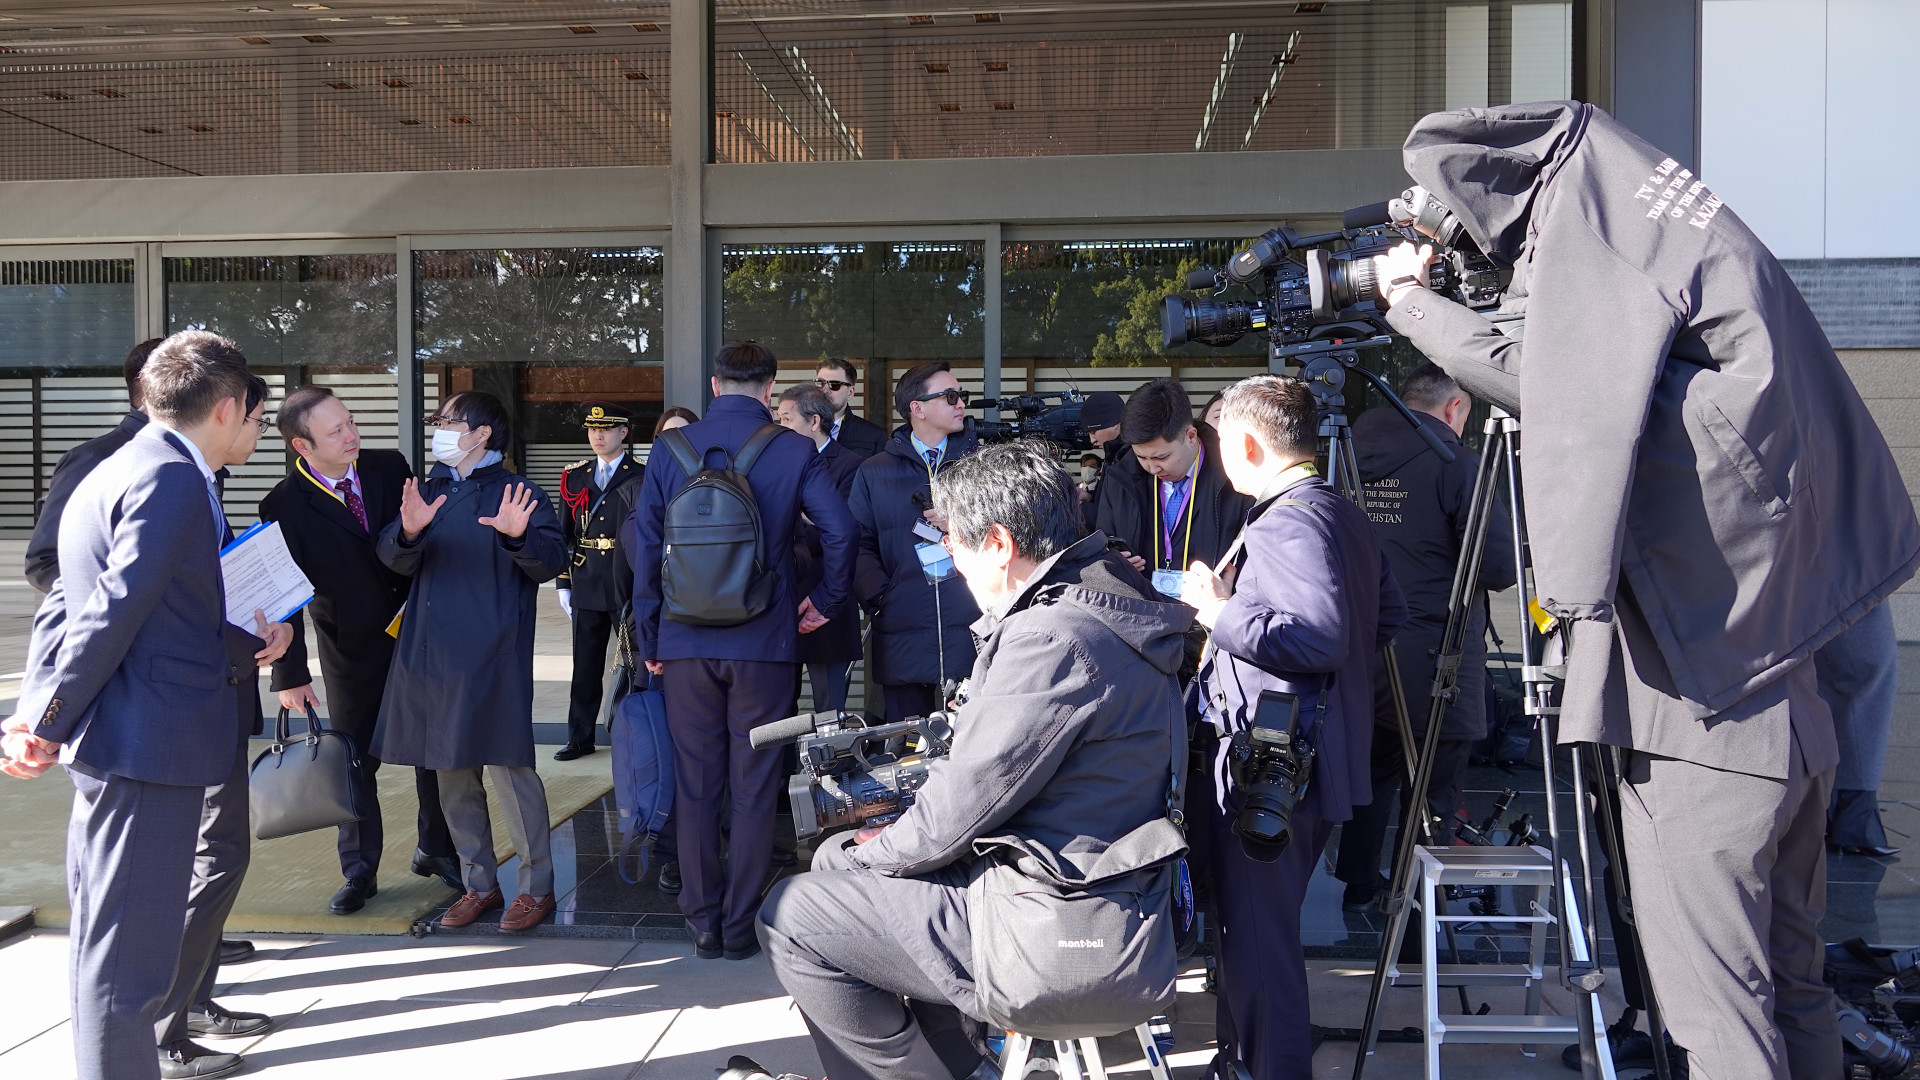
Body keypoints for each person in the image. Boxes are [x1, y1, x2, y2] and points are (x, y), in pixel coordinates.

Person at [1372, 101, 1919, 1080]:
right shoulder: (1718, 338)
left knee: (1717, 1018)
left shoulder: (1643, 379)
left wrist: (1411, 301)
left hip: (1699, 737)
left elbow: (1548, 381)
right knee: (1793, 988)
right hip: (1792, 724)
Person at [754, 440, 1190, 1080]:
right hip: (1096, 886)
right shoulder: (1103, 596)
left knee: (791, 913)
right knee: (843, 864)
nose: (951, 562)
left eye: (954, 544)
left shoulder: (1050, 637)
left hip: (1050, 919)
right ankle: (963, 1066)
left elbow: (955, 812)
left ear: (1000, 543)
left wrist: (866, 852)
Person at [1, 332, 293, 1080]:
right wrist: (46, 722)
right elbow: (111, 612)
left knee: (113, 950)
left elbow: (73, 606)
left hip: (128, 740)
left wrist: (38, 711)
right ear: (227, 406)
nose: (255, 428)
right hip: (147, 746)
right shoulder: (171, 478)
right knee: (128, 967)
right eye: (255, 416)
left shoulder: (117, 467)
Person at [1180, 375, 1406, 1080]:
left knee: (1256, 942)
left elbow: (1320, 637)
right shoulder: (1337, 511)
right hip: (1301, 760)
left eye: (1220, 441)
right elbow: (1385, 618)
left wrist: (1221, 613)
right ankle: (1240, 1062)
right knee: (1255, 935)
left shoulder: (1288, 522)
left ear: (1247, 443)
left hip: (1274, 768)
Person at [630, 341, 855, 961]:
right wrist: (826, 600)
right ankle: (739, 924)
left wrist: (651, 634)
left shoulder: (671, 449)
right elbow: (840, 531)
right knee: (755, 783)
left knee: (696, 782)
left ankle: (702, 921)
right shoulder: (794, 448)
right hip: (765, 640)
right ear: (770, 386)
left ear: (713, 384)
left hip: (684, 640)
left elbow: (646, 546)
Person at [258, 385, 461, 915]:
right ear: (303, 446)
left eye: (350, 422)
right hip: (349, 647)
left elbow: (425, 538)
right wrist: (290, 675)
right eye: (336, 431)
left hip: (418, 634)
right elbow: (283, 595)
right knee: (354, 762)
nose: (351, 435)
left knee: (433, 751)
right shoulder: (283, 504)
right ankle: (359, 871)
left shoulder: (389, 467)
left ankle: (437, 849)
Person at [373, 390, 569, 934]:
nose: (438, 429)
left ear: (482, 433)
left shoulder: (519, 492)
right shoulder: (426, 490)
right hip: (431, 652)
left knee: (511, 770)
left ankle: (536, 887)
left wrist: (519, 537)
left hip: (494, 651)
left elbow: (551, 562)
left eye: (449, 421)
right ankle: (478, 883)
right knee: (450, 773)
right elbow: (391, 559)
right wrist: (409, 531)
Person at [1334, 363, 1514, 911]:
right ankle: (1416, 896)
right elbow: (1498, 567)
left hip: (1363, 645)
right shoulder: (1457, 464)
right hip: (1440, 650)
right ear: (1454, 407)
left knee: (1374, 767)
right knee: (1434, 783)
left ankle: (1359, 882)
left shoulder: (1347, 455)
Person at [849, 361, 982, 723]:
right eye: (950, 396)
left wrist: (959, 524)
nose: (961, 404)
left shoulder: (983, 467)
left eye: (962, 395)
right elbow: (857, 544)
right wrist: (881, 598)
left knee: (975, 742)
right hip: (902, 627)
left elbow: (1011, 532)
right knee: (906, 746)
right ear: (917, 408)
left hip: (974, 625)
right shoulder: (874, 471)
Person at [25, 337, 163, 592]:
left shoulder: (198, 460)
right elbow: (44, 563)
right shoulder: (93, 459)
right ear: (153, 387)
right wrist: (122, 601)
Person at [1095, 378, 1250, 597]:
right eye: (1141, 457)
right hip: (1140, 608)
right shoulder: (1120, 478)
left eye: (1162, 457)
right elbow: (1101, 547)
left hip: (1208, 610)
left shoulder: (1237, 478)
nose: (1152, 468)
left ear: (1191, 436)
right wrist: (1113, 563)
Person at [553, 400, 646, 761]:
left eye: (605, 429)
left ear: (624, 432)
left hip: (626, 580)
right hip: (588, 578)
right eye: (593, 429)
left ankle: (635, 736)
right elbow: (564, 535)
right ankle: (580, 738)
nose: (598, 435)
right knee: (585, 666)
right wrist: (564, 582)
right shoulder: (574, 476)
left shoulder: (641, 474)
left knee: (634, 664)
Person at [778, 383, 864, 712]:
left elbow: (842, 531)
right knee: (778, 707)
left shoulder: (850, 464)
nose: (781, 427)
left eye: (787, 419)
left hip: (827, 592)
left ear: (814, 421)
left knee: (829, 707)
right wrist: (813, 520)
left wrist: (798, 523)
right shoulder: (777, 462)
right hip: (784, 592)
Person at [1817, 601, 1900, 857]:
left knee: (1839, 679)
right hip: (1845, 584)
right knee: (1868, 672)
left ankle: (1834, 814)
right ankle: (1853, 821)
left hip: (1838, 584)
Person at [816, 356, 887, 459]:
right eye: (820, 383)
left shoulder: (874, 436)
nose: (825, 390)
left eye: (834, 384)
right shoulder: (800, 429)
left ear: (850, 392)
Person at [1077, 389, 1125, 529]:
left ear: (1114, 423)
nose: (1092, 440)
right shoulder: (1113, 455)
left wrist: (1076, 508)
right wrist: (1089, 497)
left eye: (1094, 432)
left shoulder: (1126, 460)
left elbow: (1113, 518)